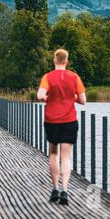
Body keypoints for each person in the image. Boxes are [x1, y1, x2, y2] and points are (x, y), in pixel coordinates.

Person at [37, 49, 86, 205]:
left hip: (52, 120)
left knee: (53, 153)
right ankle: (65, 190)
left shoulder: (47, 77)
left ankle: (55, 188)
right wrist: (73, 97)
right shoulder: (74, 77)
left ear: (54, 60)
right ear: (66, 61)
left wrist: (47, 97)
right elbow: (83, 100)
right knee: (66, 156)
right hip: (69, 120)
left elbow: (39, 95)